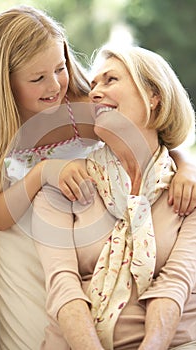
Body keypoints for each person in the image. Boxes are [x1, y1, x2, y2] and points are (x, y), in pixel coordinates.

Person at [0, 4, 196, 349]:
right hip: (51, 235)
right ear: (5, 82)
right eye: (37, 78)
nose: (55, 84)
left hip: (109, 219)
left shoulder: (89, 102)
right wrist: (43, 172)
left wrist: (187, 166)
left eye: (60, 68)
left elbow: (153, 135)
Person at [31, 44, 196, 350]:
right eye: (93, 85)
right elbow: (63, 286)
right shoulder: (60, 186)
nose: (94, 93)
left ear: (153, 96)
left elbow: (175, 283)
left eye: (110, 80)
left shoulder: (188, 190)